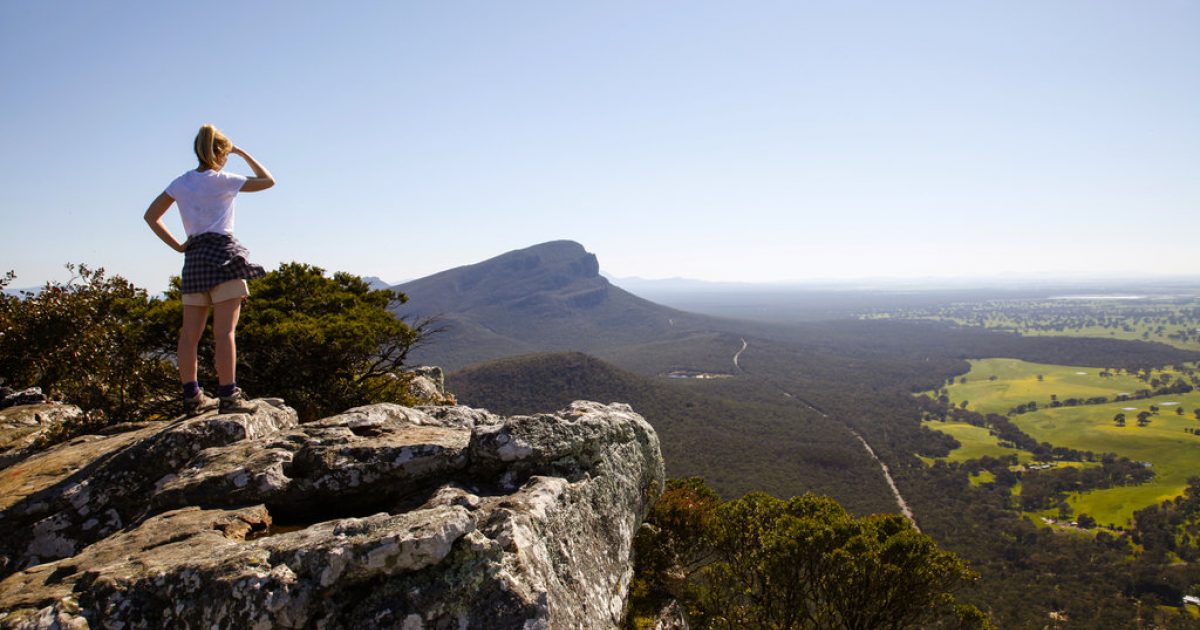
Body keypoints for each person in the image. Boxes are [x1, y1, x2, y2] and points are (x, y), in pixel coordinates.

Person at [144, 124, 275, 416]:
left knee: (189, 335)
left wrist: (179, 246)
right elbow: (268, 180)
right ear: (221, 152)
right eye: (227, 153)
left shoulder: (181, 183)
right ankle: (228, 395)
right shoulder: (224, 180)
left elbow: (151, 216)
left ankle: (192, 397)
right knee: (225, 332)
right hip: (225, 258)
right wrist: (241, 152)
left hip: (195, 260)